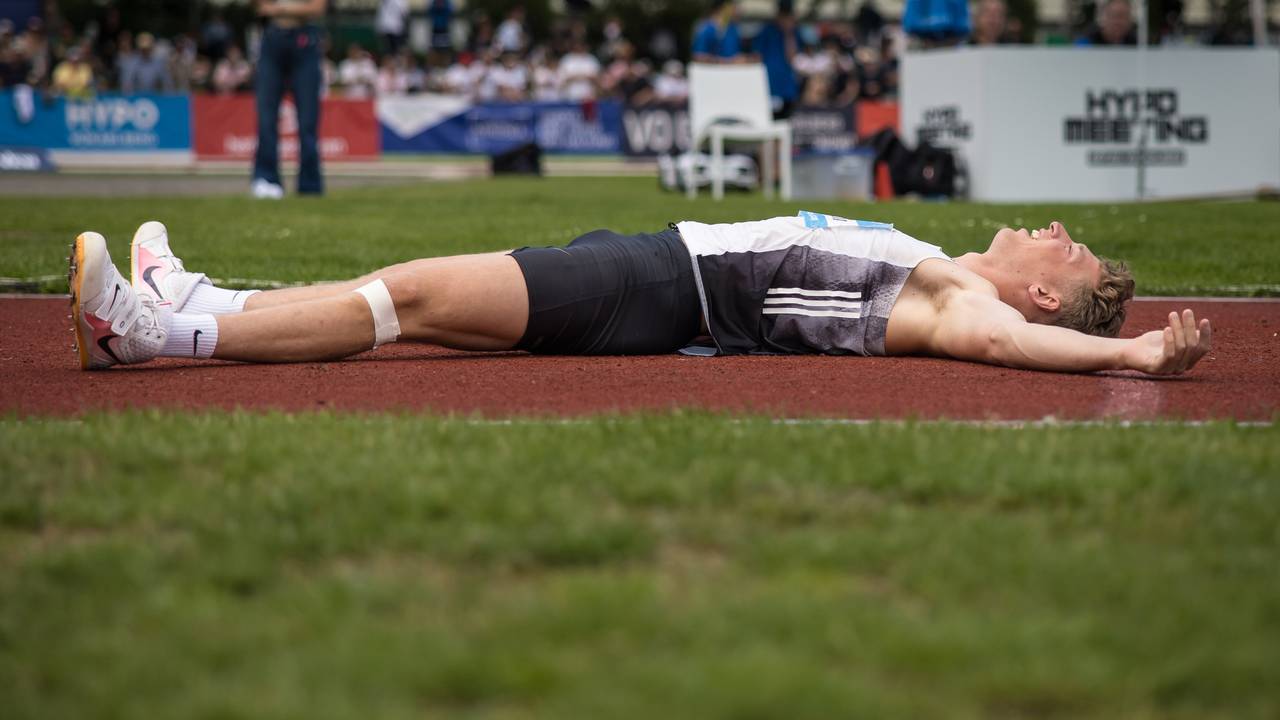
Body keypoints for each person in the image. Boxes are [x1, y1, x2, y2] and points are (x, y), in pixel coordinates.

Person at [68, 215, 1211, 379]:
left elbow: (1009, 349)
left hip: (667, 286)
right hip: (664, 269)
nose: (1053, 232)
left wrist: (1130, 358)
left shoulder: (972, 308)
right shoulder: (952, 268)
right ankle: (208, 294)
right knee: (408, 294)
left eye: (1070, 251)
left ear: (1049, 299)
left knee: (408, 297)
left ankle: (161, 332)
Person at [252, 0, 326, 200]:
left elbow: (317, 8)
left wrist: (281, 8)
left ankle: (310, 185)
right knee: (266, 118)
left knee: (308, 121)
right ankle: (266, 180)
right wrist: (294, 9)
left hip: (304, 40)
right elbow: (262, 7)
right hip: (273, 39)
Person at [753, 0, 802, 117]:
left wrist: (788, 34)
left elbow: (793, 58)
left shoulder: (794, 33)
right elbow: (757, 56)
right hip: (770, 85)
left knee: (786, 121)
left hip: (788, 88)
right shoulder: (767, 30)